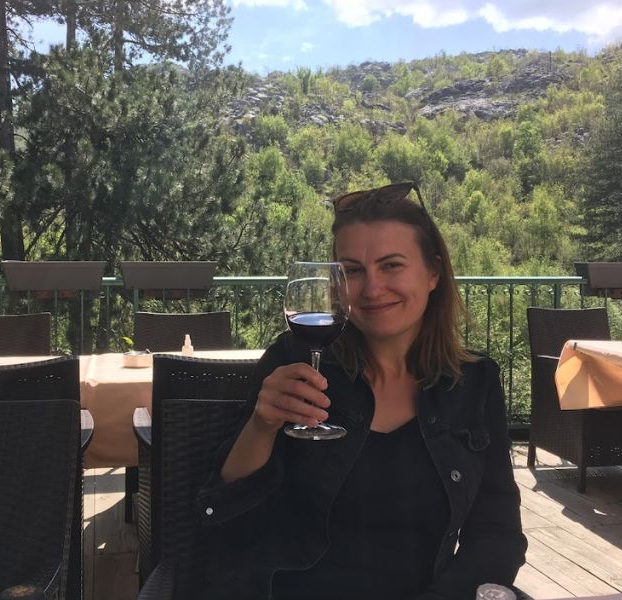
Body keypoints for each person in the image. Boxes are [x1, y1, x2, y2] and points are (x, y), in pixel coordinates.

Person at [198, 181, 527, 600]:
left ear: (433, 273)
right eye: (352, 270)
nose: (371, 289)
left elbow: (497, 534)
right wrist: (262, 424)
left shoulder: (474, 382)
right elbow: (228, 518)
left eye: (391, 265)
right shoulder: (295, 361)